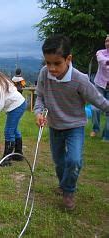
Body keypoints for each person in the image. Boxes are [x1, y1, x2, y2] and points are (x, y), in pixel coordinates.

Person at [34, 34, 109, 210]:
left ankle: (68, 191)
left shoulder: (80, 79)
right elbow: (40, 98)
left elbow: (98, 100)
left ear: (68, 59)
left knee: (74, 161)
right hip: (55, 126)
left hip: (75, 126)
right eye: (48, 63)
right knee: (59, 162)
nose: (51, 68)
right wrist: (38, 113)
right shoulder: (44, 74)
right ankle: (63, 184)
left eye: (57, 63)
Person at [90, 35, 109, 141]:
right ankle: (95, 129)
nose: (107, 43)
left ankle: (106, 135)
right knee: (95, 108)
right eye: (106, 41)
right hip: (100, 84)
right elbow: (102, 62)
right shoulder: (100, 52)